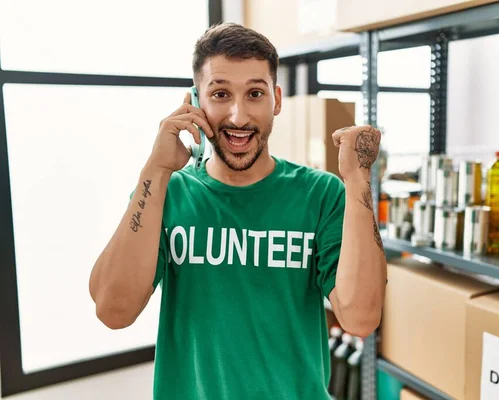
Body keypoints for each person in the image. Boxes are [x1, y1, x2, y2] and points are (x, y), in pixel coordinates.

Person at [88, 22, 387, 400]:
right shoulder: (168, 192)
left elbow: (360, 317)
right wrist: (156, 169)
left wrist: (358, 178)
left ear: (276, 99)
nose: (238, 115)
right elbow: (113, 311)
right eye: (220, 93)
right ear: (195, 102)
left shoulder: (321, 194)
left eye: (255, 94)